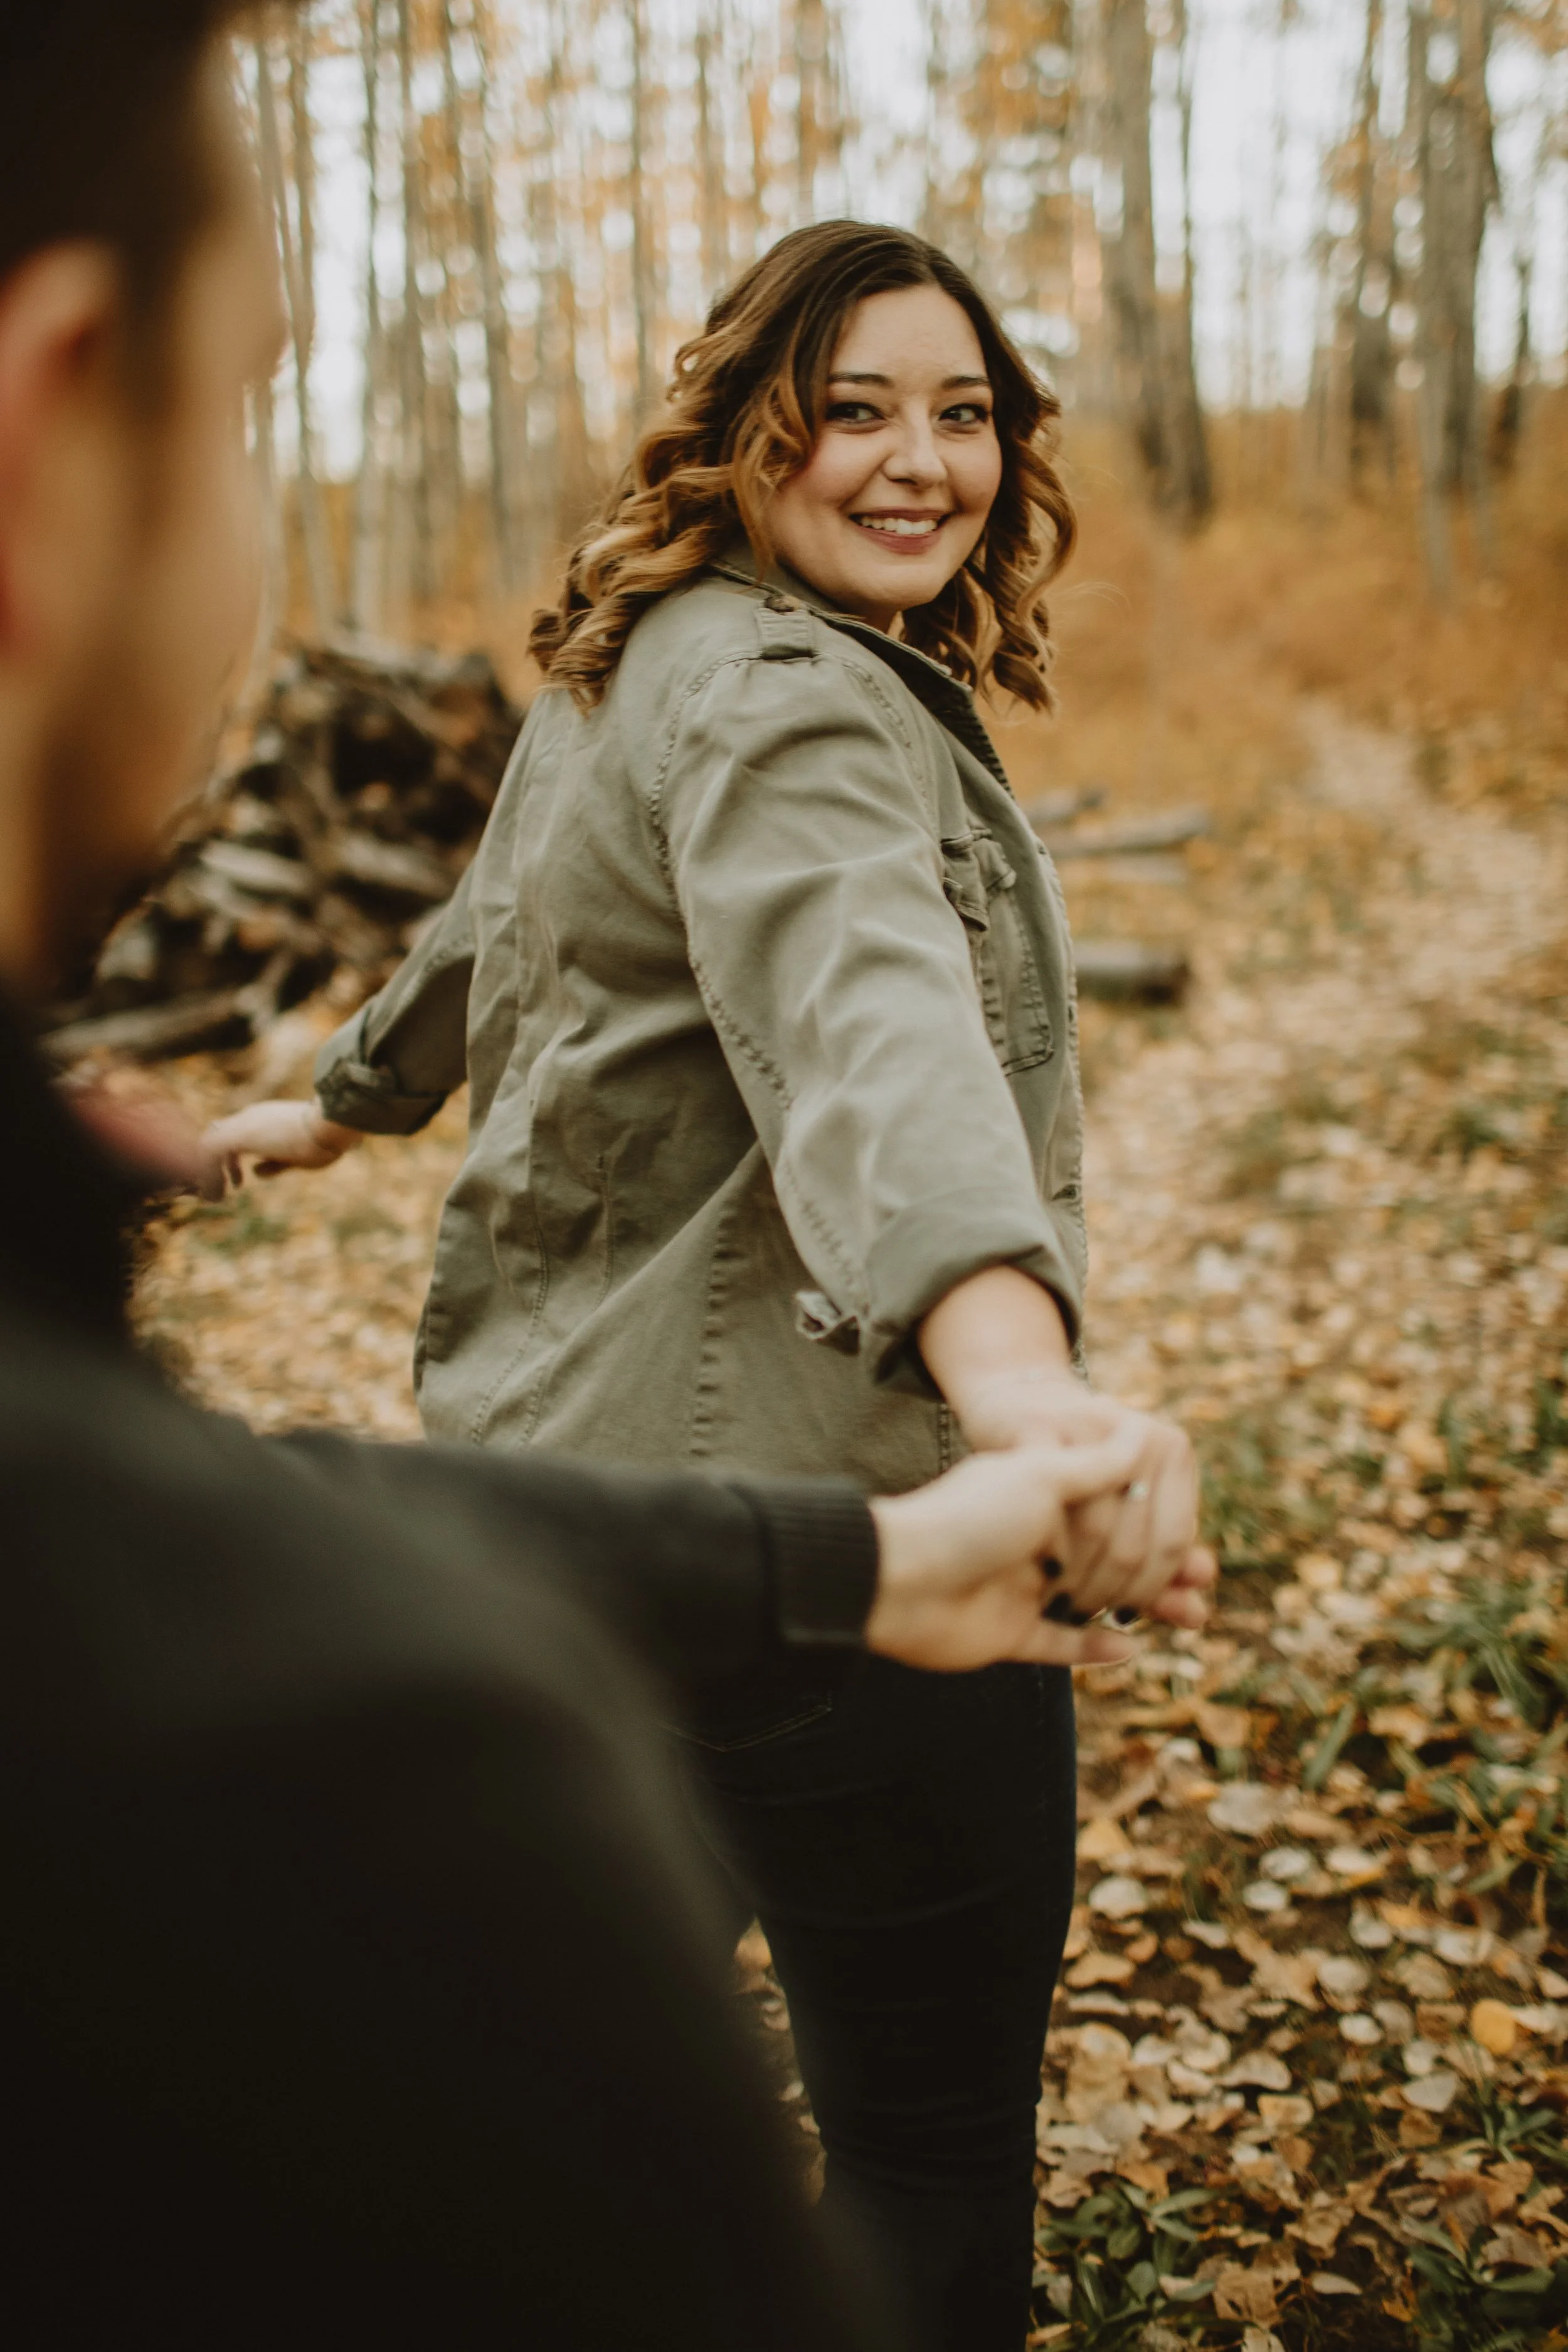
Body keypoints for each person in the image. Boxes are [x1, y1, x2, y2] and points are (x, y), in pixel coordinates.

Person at [0, 8, 1215, 2345]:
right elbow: (877, 1023)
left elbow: (491, 927)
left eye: (961, 409)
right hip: (861, 1553)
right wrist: (1019, 1375)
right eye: (852, 404)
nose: (919, 458)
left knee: (439, 2150)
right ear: (749, 419)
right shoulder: (792, 705)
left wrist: (323, 1102)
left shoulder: (624, 660)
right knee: (924, 2160)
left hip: (564, 1521)